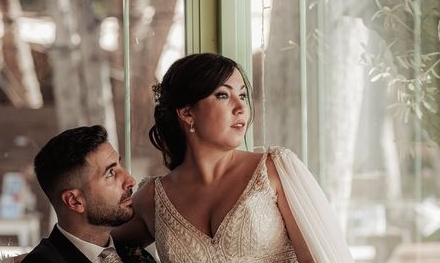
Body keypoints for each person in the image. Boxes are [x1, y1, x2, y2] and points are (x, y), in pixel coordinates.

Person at [113, 53, 355, 262]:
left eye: (243, 95)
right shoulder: (155, 197)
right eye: (222, 95)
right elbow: (93, 244)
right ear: (187, 112)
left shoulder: (274, 170)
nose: (241, 107)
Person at [22, 125, 155, 263]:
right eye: (110, 173)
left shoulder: (134, 254)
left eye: (119, 165)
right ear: (74, 201)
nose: (130, 180)